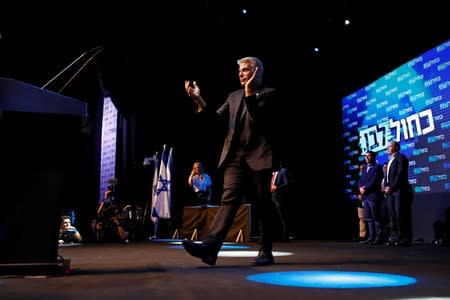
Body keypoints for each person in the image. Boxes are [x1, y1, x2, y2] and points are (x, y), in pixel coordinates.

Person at [182, 56, 282, 266]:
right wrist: (198, 100)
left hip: (259, 157)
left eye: (245, 70)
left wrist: (249, 93)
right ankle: (209, 249)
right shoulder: (233, 96)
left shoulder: (270, 94)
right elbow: (215, 121)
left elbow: (260, 121)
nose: (241, 74)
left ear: (257, 72)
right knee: (229, 201)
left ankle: (266, 251)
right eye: (240, 71)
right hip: (234, 159)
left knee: (263, 204)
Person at [384, 141, 413, 246]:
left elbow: (400, 175)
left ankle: (403, 238)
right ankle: (395, 237)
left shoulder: (401, 158)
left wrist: (391, 187)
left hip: (399, 190)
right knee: (392, 215)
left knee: (400, 214)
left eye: (389, 146)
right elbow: (388, 177)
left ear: (396, 147)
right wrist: (386, 187)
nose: (387, 148)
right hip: (391, 192)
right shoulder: (390, 160)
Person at [358, 150, 384, 245]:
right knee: (369, 218)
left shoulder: (378, 167)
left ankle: (378, 238)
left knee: (376, 217)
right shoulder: (364, 168)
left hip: (373, 196)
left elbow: (375, 180)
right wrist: (360, 188)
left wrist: (366, 188)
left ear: (373, 157)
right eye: (366, 156)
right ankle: (371, 237)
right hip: (366, 197)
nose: (367, 158)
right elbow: (360, 180)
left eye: (369, 156)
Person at [271, 160, 290, 241]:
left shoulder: (283, 170)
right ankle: (275, 236)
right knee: (272, 218)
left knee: (282, 217)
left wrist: (277, 187)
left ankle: (285, 237)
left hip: (279, 197)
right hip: (271, 196)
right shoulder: (271, 172)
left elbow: (287, 183)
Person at [355, 164, 367, 242]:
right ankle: (362, 236)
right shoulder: (358, 179)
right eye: (360, 169)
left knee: (369, 218)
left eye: (363, 168)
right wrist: (358, 195)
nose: (361, 170)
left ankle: (370, 236)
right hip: (360, 202)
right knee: (361, 219)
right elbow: (356, 189)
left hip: (368, 200)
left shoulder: (368, 177)